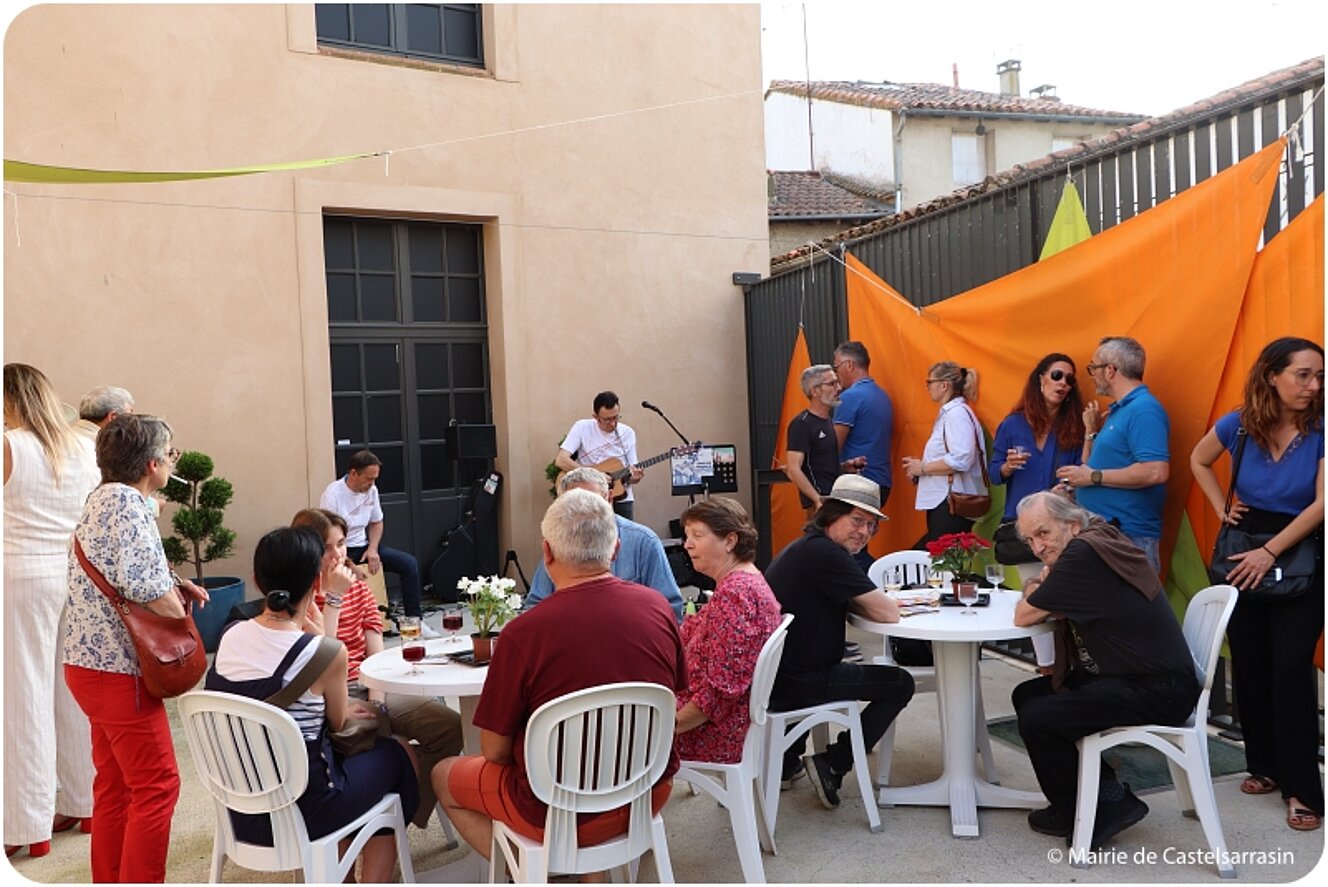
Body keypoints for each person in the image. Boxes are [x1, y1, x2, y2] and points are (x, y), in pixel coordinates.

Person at [434, 489, 686, 861]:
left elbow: (495, 751)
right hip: (647, 792)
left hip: (555, 811)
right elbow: (674, 694)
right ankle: (588, 870)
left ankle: (535, 873)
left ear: (547, 553)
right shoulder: (658, 608)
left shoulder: (523, 634)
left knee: (443, 773)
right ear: (614, 550)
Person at [206, 526, 419, 881]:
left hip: (242, 810)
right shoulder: (323, 653)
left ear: (258, 581)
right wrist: (321, 638)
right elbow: (340, 726)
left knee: (361, 775)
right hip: (307, 809)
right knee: (397, 757)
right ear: (316, 584)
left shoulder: (229, 637)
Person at [62, 414, 208, 882]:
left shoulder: (101, 498)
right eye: (170, 454)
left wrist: (172, 585)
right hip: (119, 670)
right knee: (157, 786)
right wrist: (180, 614)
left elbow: (126, 575)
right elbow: (146, 587)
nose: (171, 461)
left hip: (87, 665)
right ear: (151, 464)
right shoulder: (128, 503)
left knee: (117, 787)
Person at [1011, 491, 1199, 848]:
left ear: (1072, 525)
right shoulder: (1098, 540)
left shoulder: (1083, 552)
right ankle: (1086, 799)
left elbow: (1025, 613)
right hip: (1137, 677)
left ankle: (1103, 807)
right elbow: (1039, 594)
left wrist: (1039, 586)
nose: (1037, 548)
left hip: (1158, 688)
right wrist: (1042, 585)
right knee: (1029, 694)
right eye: (1030, 539)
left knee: (1040, 716)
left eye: (1043, 533)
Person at [1190, 337, 1324, 832]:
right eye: (1303, 375)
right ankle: (1263, 767)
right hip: (1244, 551)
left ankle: (1302, 789)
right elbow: (1198, 460)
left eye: (1319, 376)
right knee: (1248, 662)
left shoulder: (1322, 427)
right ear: (1272, 374)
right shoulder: (1239, 423)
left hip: (1300, 553)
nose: (1313, 386)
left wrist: (1271, 552)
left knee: (1290, 668)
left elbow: (1321, 504)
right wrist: (1220, 508)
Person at [290, 508, 464, 828]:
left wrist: (379, 699)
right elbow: (322, 659)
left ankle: (406, 815)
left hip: (368, 683)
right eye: (327, 547)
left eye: (341, 544)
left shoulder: (358, 586)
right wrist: (334, 599)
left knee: (450, 727)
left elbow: (376, 657)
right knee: (385, 740)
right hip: (327, 695)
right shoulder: (298, 597)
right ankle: (380, 821)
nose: (337, 554)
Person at [764, 474, 914, 809]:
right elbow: (888, 613)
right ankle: (833, 763)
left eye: (871, 525)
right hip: (800, 682)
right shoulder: (827, 555)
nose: (864, 532)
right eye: (857, 520)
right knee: (900, 683)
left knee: (835, 666)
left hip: (777, 679)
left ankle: (787, 761)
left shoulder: (808, 547)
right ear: (831, 514)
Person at [3, 364, 102, 859]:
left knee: (23, 698)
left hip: (19, 578)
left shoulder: (9, 445)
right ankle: (86, 801)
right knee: (70, 690)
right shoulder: (81, 447)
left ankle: (26, 824)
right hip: (71, 575)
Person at [674, 499, 783, 763]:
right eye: (687, 536)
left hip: (714, 732)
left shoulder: (736, 594)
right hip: (722, 721)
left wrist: (668, 726)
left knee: (610, 730)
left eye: (697, 536)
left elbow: (722, 691)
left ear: (730, 541)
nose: (687, 544)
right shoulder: (744, 582)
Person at [1056, 336, 1169, 572]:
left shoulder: (1143, 410)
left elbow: (1155, 471)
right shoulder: (1121, 411)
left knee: (1125, 608)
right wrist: (1077, 487)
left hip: (1126, 536)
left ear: (1110, 370)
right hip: (1109, 534)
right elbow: (1099, 466)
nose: (1092, 374)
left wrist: (1093, 478)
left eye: (1093, 368)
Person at [523, 467, 683, 621]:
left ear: (609, 498)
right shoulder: (558, 540)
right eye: (572, 504)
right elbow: (535, 605)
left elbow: (670, 609)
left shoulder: (643, 541)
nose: (583, 511)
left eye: (592, 501)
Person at [320, 448, 436, 637]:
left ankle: (415, 620)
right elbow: (329, 538)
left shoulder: (371, 490)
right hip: (341, 550)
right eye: (369, 478)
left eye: (375, 479)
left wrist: (373, 549)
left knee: (409, 564)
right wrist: (350, 564)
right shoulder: (332, 494)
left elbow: (377, 522)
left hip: (364, 546)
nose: (372, 483)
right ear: (353, 473)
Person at [901, 361, 989, 546]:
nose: (928, 387)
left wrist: (923, 468)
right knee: (937, 559)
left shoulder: (956, 414)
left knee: (935, 560)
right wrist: (920, 470)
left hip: (949, 502)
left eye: (930, 382)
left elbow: (962, 458)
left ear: (944, 385)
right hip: (946, 501)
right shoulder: (954, 413)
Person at [784, 364, 865, 516]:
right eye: (832, 384)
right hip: (821, 504)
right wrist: (817, 499)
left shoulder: (827, 421)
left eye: (838, 382)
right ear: (815, 391)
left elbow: (820, 464)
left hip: (835, 499)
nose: (839, 388)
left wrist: (845, 467)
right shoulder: (802, 424)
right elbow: (793, 469)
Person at [555, 390, 644, 519]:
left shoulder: (627, 433)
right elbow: (561, 460)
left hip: (621, 498)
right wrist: (593, 475)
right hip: (590, 498)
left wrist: (635, 477)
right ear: (595, 417)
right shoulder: (582, 427)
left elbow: (631, 470)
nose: (613, 424)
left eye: (616, 418)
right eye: (607, 419)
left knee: (624, 538)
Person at [831, 341, 894, 505]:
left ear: (849, 365)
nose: (836, 375)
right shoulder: (883, 396)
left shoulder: (849, 397)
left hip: (856, 483)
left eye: (836, 368)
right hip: (881, 481)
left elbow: (832, 446)